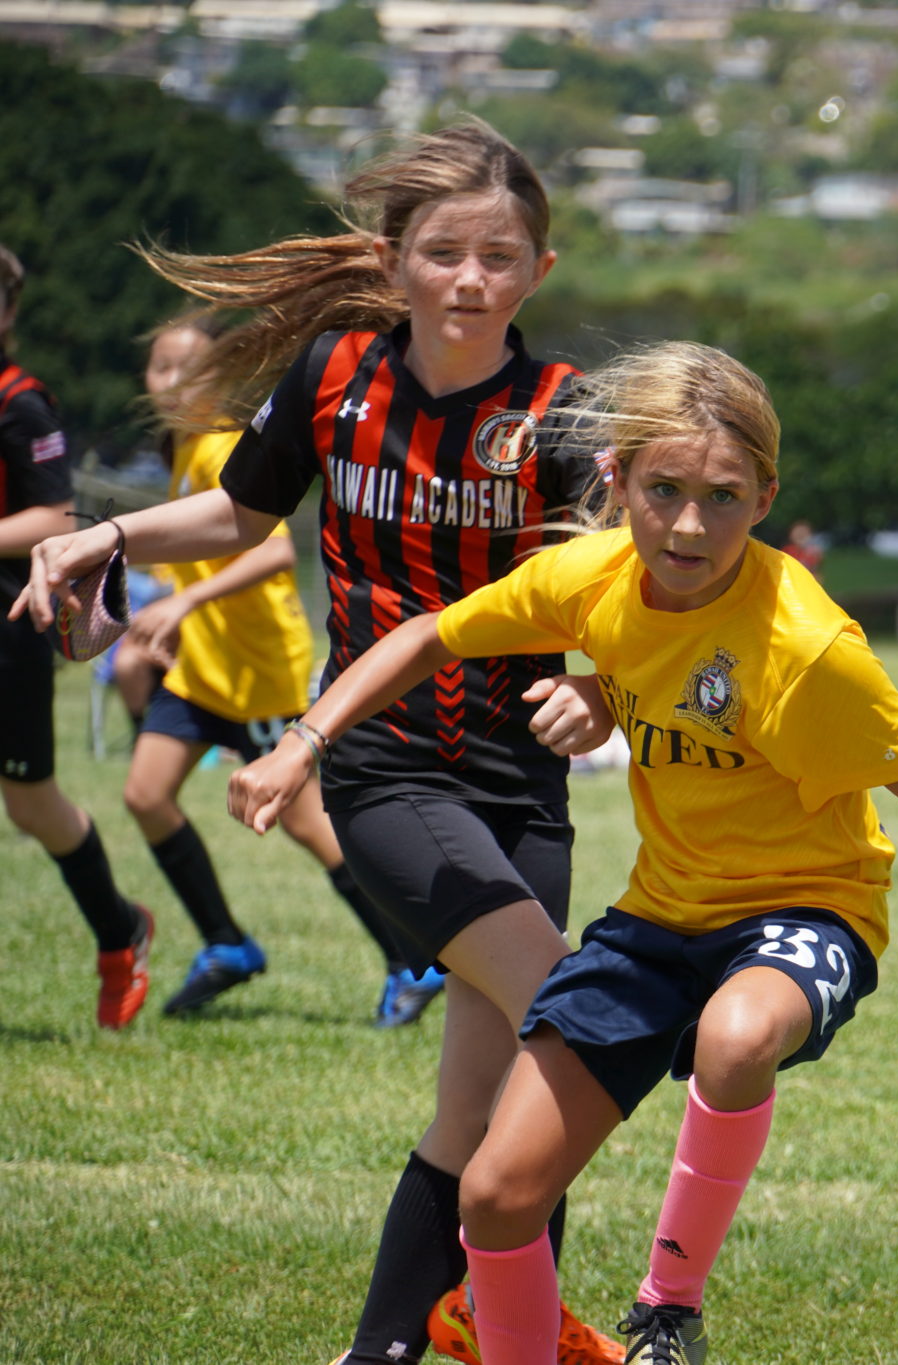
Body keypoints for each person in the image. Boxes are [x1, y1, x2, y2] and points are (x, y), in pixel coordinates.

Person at [221, 342, 898, 1365]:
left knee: (735, 1040)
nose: (691, 525)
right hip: (658, 918)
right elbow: (428, 635)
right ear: (616, 481)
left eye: (725, 498)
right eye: (665, 490)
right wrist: (304, 741)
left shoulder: (805, 647)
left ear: (766, 496)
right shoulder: (587, 577)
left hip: (808, 911)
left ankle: (668, 1311)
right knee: (498, 1194)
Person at [10, 122, 622, 1365]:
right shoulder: (337, 374)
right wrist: (101, 537)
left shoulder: (560, 414)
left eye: (498, 257)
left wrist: (601, 695)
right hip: (383, 766)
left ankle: (389, 1343)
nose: (468, 279)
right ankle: (539, 1317)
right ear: (394, 260)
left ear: (537, 272)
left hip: (523, 789)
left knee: (482, 1111)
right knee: (578, 1013)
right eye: (442, 252)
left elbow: (620, 590)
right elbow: (242, 509)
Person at [124, 314, 442, 1024]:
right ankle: (226, 942)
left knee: (307, 825)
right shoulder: (181, 448)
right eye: (159, 366)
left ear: (220, 380)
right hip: (206, 669)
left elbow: (268, 552)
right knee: (146, 794)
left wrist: (184, 604)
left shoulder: (213, 448)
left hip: (260, 671)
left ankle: (410, 963)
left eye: (189, 368)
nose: (172, 380)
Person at [0, 241, 156, 1029]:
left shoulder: (20, 401)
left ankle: (120, 929)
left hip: (10, 627)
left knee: (30, 803)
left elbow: (54, 518)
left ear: (9, 311)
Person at [779, 518, 823, 582]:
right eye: (797, 533)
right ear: (790, 535)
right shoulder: (787, 550)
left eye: (803, 533)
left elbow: (815, 570)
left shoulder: (813, 552)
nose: (800, 535)